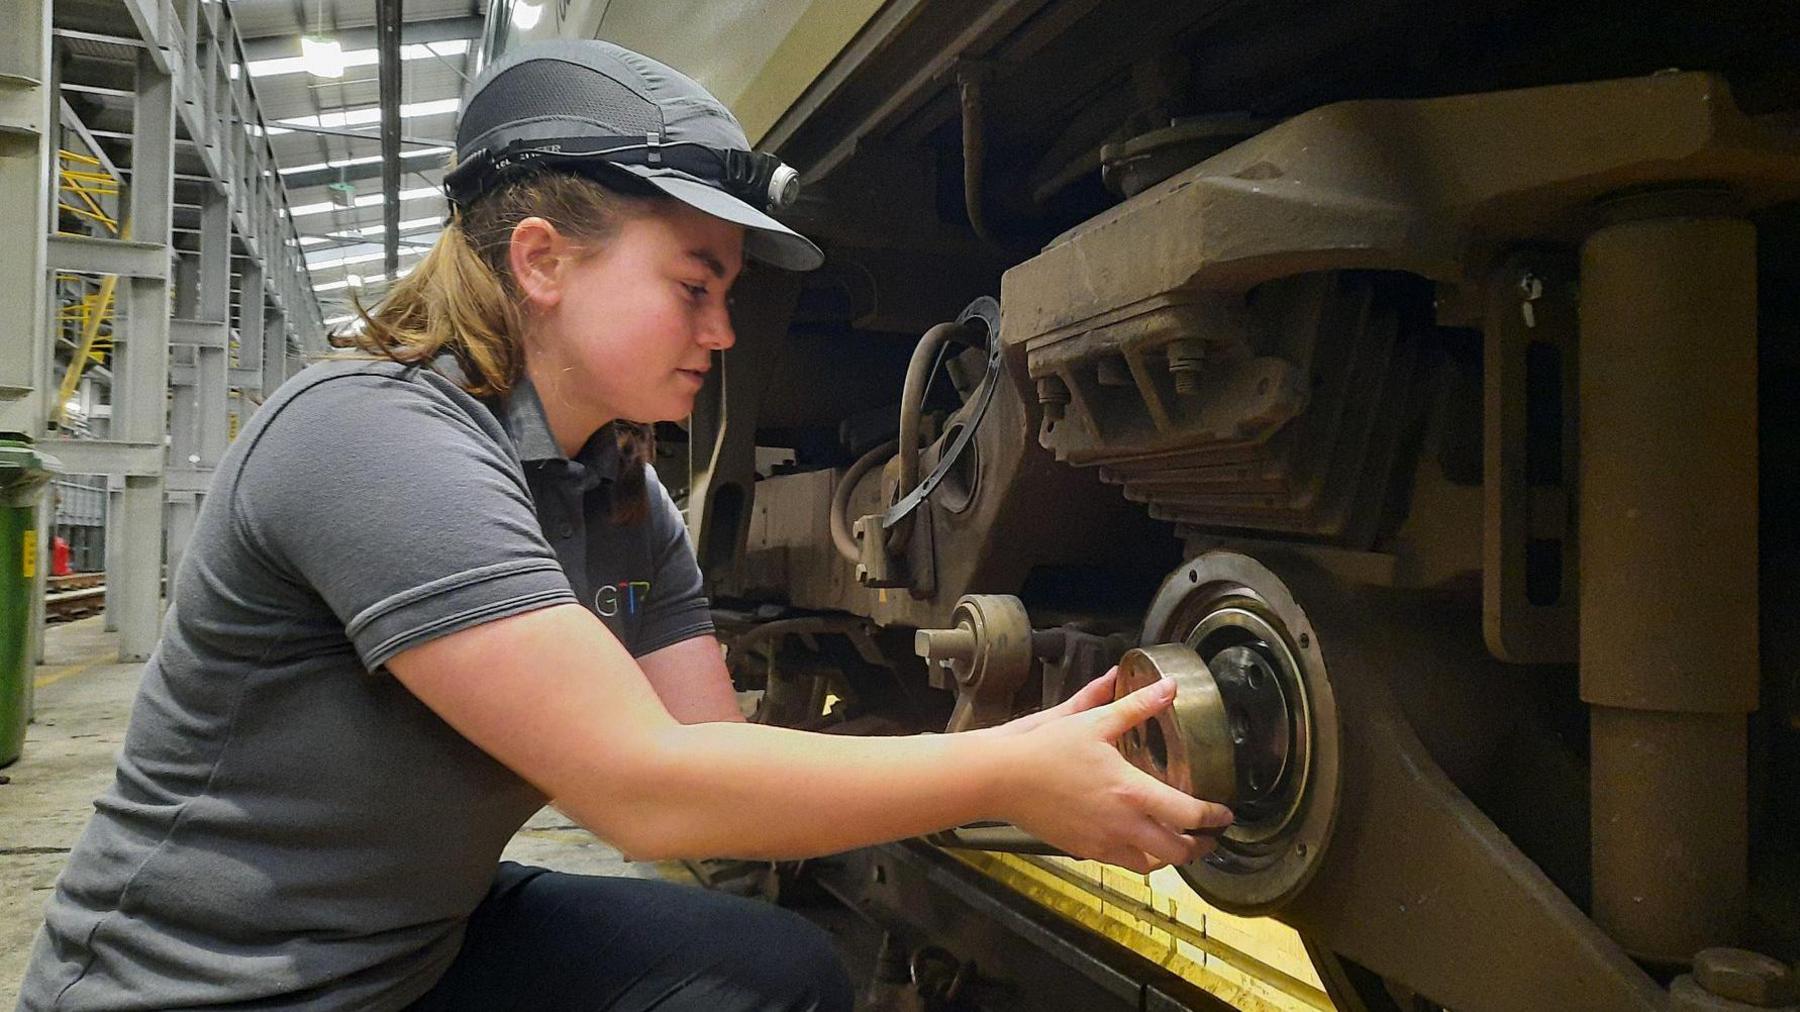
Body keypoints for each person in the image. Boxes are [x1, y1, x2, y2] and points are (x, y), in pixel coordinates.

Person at [18, 40, 1232, 1011]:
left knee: (772, 970)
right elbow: (648, 797)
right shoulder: (370, 435)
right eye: (693, 286)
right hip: (208, 986)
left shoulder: (617, 491)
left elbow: (713, 762)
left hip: (410, 951)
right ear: (541, 260)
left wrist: (1015, 737)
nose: (720, 331)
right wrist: (1014, 776)